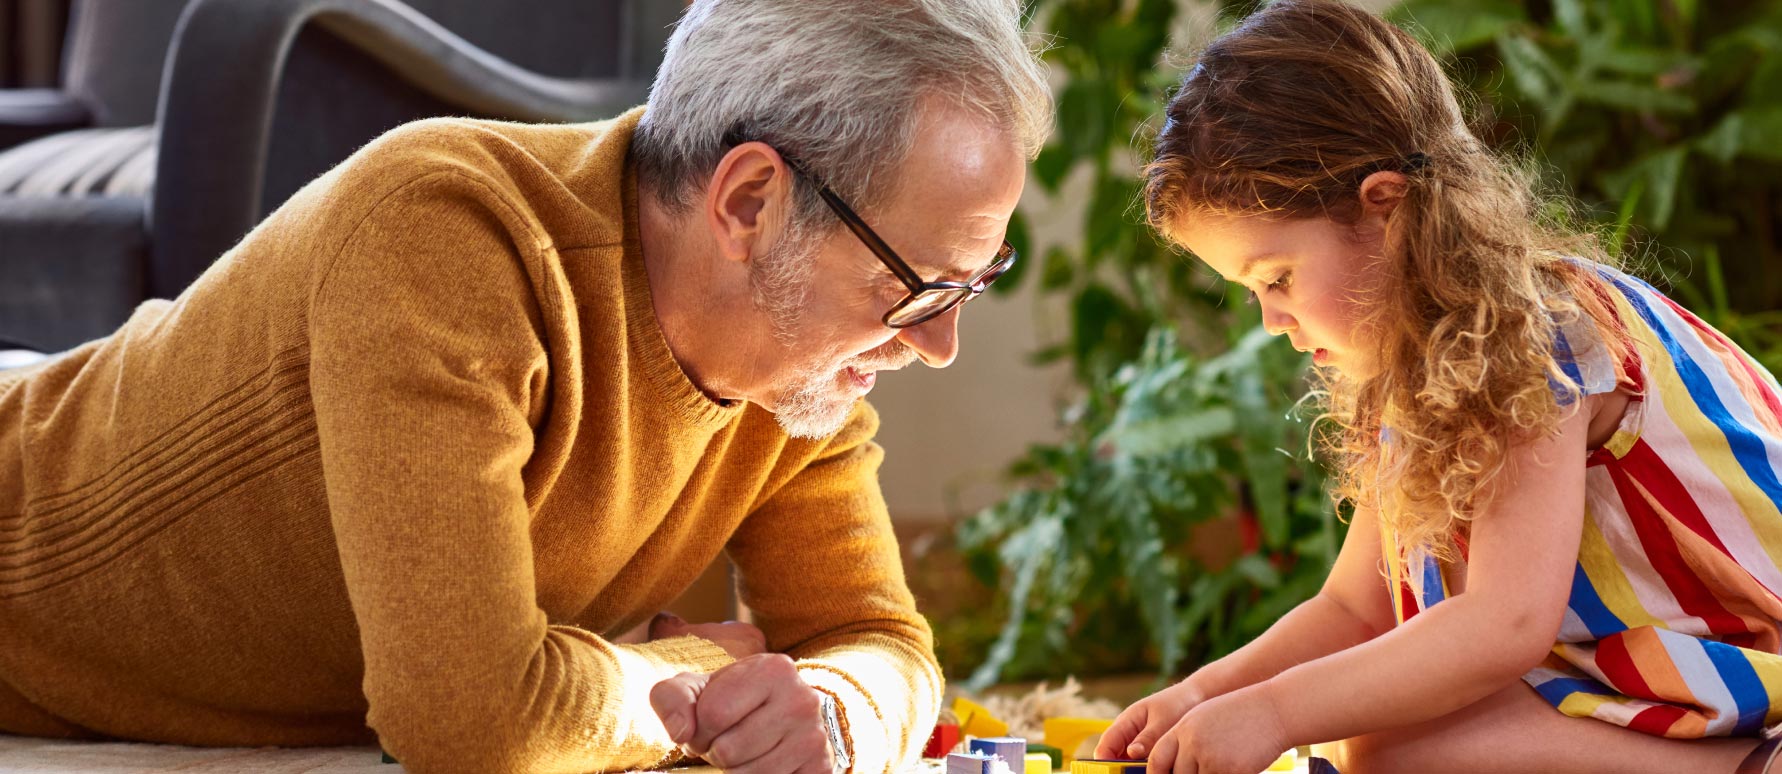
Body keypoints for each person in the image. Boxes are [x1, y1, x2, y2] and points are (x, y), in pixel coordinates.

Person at [0, 1, 1051, 772]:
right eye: (915, 285)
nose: (939, 343)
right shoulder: (446, 235)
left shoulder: (795, 370)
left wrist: (832, 710)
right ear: (749, 203)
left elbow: (879, 641)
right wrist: (686, 672)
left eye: (972, 283)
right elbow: (471, 720)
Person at [1097, 1, 1782, 772]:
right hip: (1670, 685)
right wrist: (1203, 695)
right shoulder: (1411, 364)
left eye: (1278, 277)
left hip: (1758, 668)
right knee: (1390, 743)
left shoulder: (1537, 334)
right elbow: (1357, 607)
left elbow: (1503, 625)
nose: (1272, 320)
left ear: (1385, 210)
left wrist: (1276, 712)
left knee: (1389, 743)